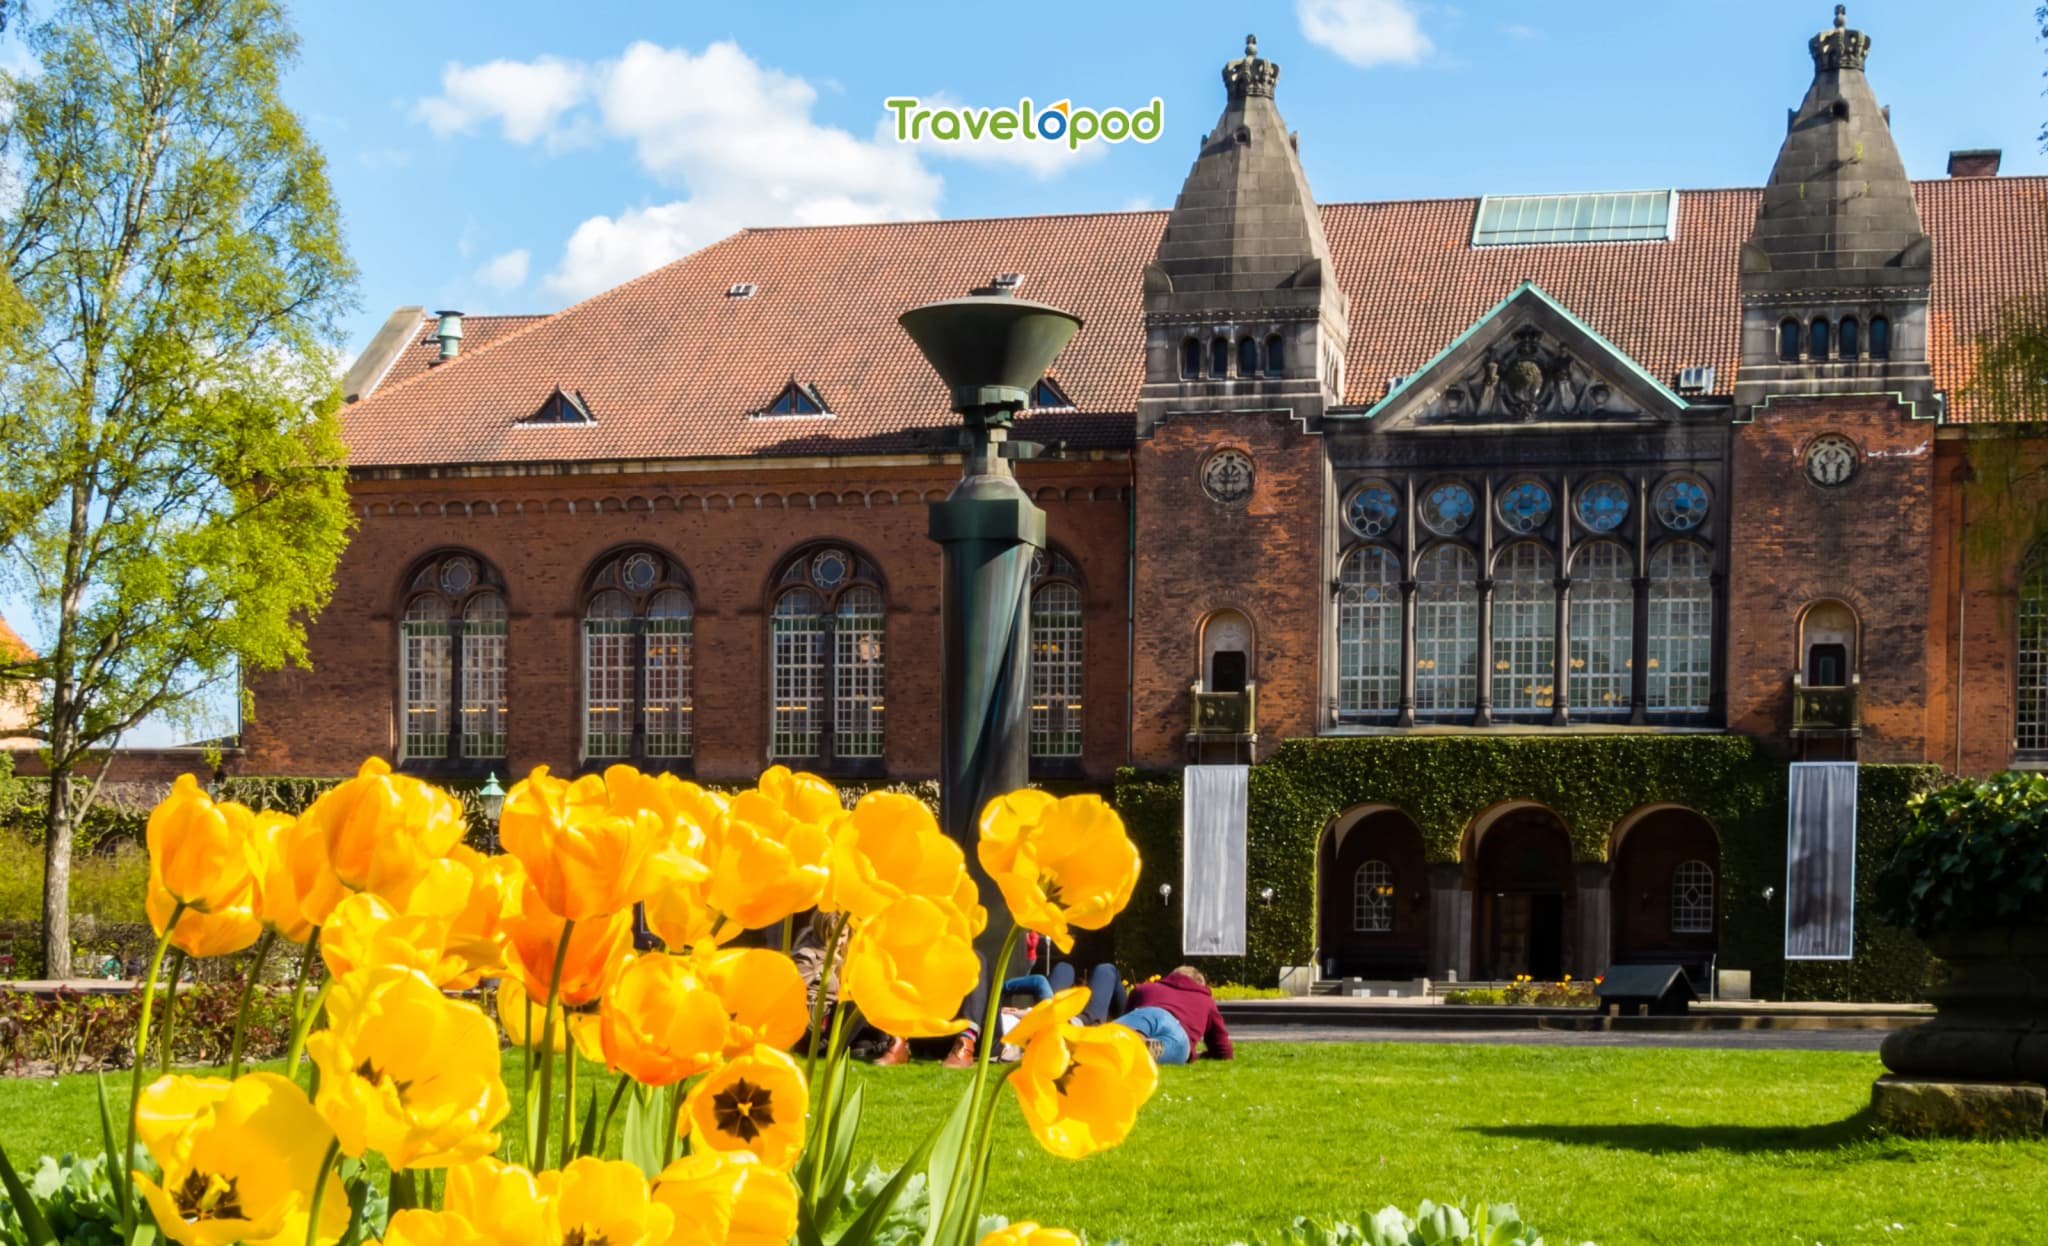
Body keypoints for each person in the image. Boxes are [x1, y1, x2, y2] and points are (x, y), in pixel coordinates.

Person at [1114, 965, 1232, 1064]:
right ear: (1200, 984)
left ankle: (1135, 1040)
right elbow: (1224, 1050)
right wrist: (1198, 1055)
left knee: (1115, 1032)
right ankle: (1145, 1050)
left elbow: (1127, 1015)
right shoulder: (1206, 1000)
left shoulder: (1144, 989)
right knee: (1172, 1047)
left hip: (1148, 1012)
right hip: (1179, 1031)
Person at [1002, 962, 1126, 1024]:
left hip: (1045, 1013)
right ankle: (1129, 1026)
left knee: (1064, 968)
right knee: (1106, 970)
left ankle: (1129, 1021)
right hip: (1071, 1025)